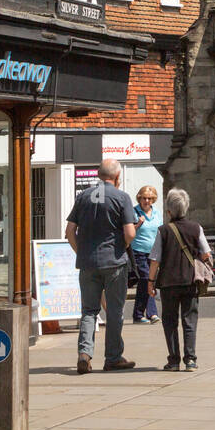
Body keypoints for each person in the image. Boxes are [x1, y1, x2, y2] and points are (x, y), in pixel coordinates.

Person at [65, 158, 138, 373]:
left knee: (89, 310)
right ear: (116, 177)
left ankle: (84, 354)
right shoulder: (121, 197)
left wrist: (82, 252)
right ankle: (113, 357)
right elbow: (130, 232)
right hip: (114, 262)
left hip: (88, 262)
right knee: (114, 311)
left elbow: (69, 232)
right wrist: (121, 247)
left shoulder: (83, 196)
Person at [146, 188, 213, 371]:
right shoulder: (196, 228)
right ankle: (190, 359)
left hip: (168, 282)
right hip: (190, 280)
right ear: (186, 208)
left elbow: (155, 260)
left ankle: (174, 360)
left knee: (169, 321)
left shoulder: (164, 230)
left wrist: (150, 282)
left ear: (169, 211)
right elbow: (206, 253)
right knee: (189, 320)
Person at [130, 186, 161, 324]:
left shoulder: (157, 213)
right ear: (139, 198)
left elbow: (160, 231)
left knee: (148, 281)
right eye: (144, 198)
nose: (146, 201)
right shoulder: (134, 212)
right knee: (145, 278)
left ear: (153, 199)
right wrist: (138, 224)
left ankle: (139, 314)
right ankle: (152, 313)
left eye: (149, 198)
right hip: (138, 251)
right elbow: (128, 232)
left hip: (153, 252)